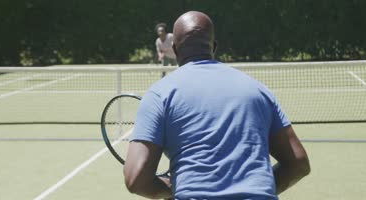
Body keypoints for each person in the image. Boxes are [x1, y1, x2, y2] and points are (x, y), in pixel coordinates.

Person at [124, 11, 310, 199]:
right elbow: (298, 163)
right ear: (214, 47)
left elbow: (136, 179)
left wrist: (172, 188)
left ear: (175, 48)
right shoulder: (258, 90)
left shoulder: (159, 94)